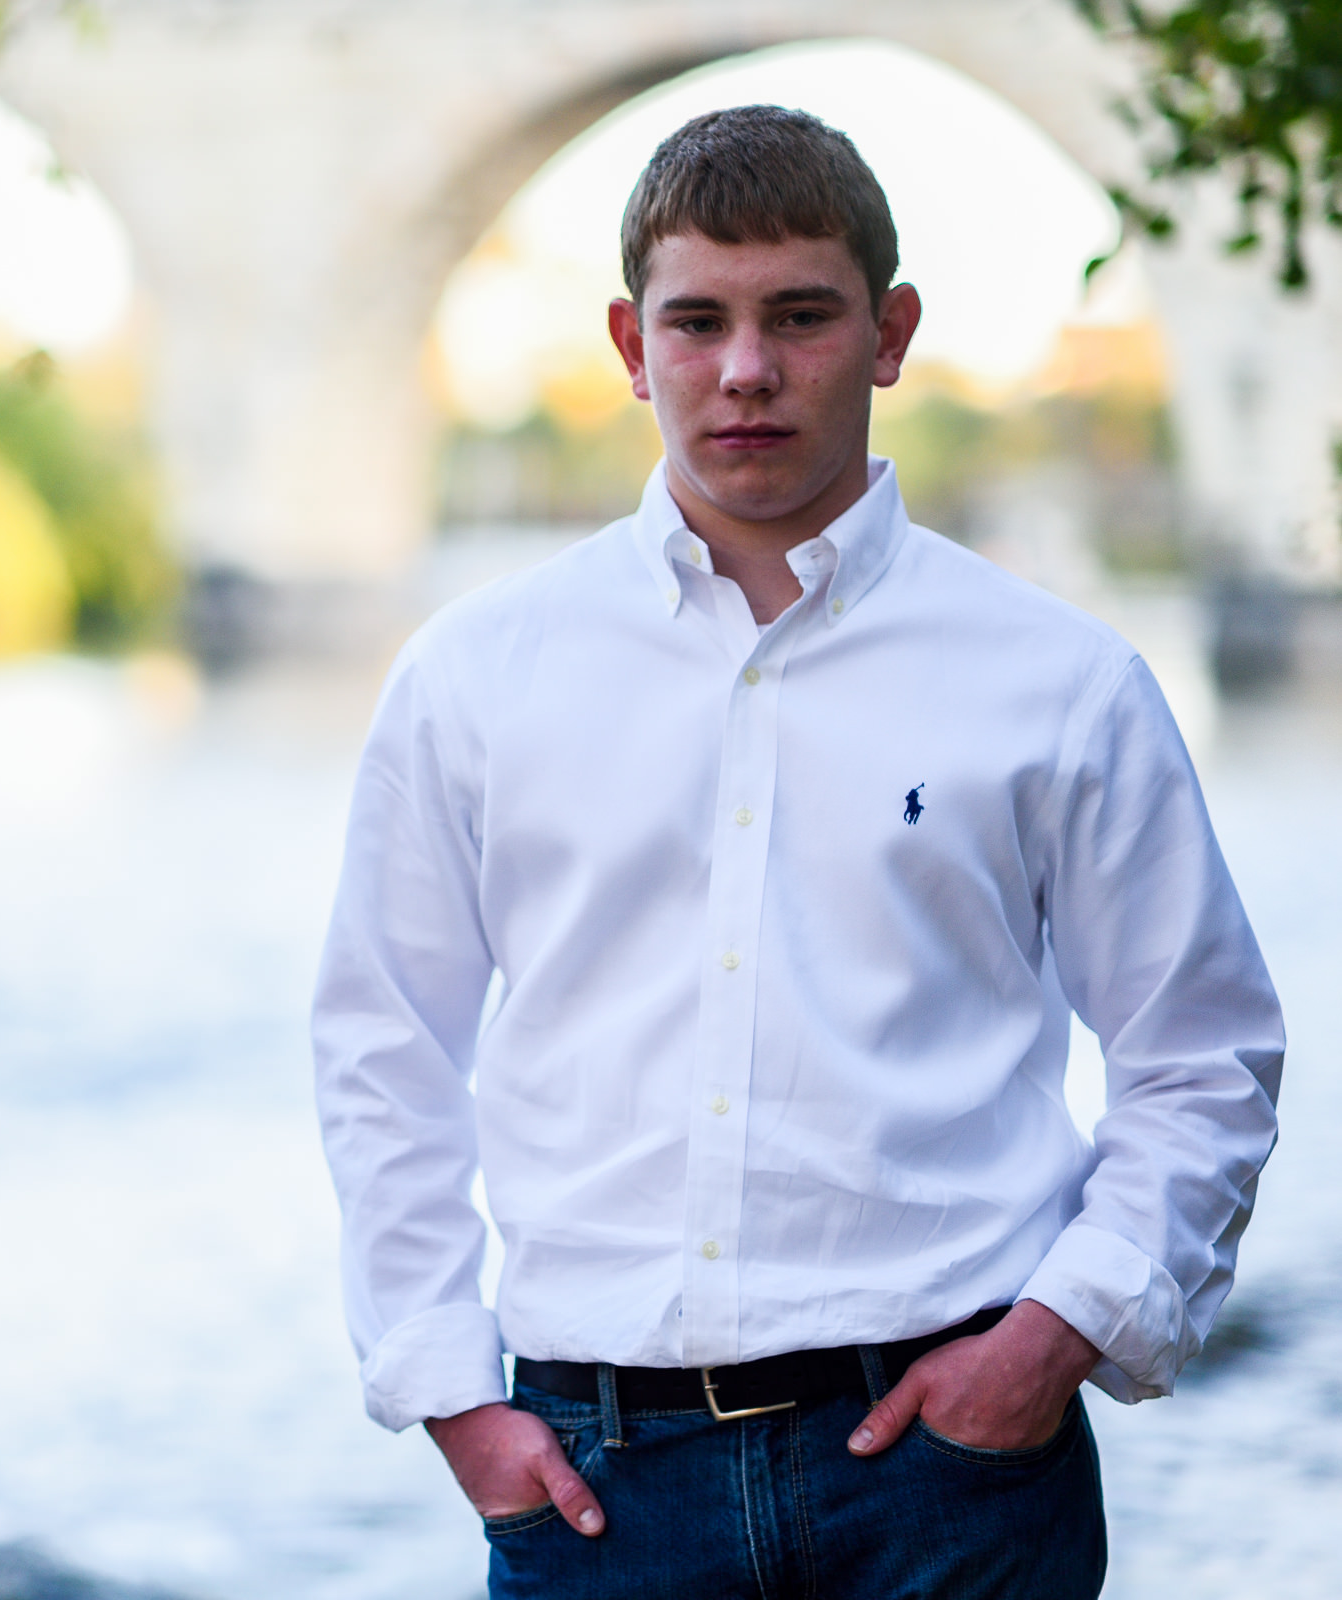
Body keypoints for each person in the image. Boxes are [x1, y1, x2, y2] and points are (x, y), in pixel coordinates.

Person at [310, 105, 1284, 1600]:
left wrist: (1053, 1339)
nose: (745, 368)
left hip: (954, 1485)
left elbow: (1200, 1054)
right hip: (594, 1489)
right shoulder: (473, 679)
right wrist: (451, 1397)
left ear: (887, 332)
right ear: (632, 346)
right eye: (696, 321)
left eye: (799, 316)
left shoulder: (1058, 682)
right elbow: (383, 1049)